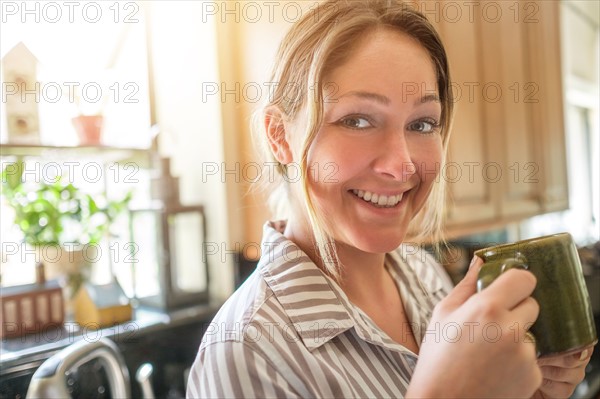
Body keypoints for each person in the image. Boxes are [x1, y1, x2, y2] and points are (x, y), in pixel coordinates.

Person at [187, 1, 593, 397]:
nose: (402, 166)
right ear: (280, 137)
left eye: (422, 123)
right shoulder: (245, 354)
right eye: (358, 120)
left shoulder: (424, 275)